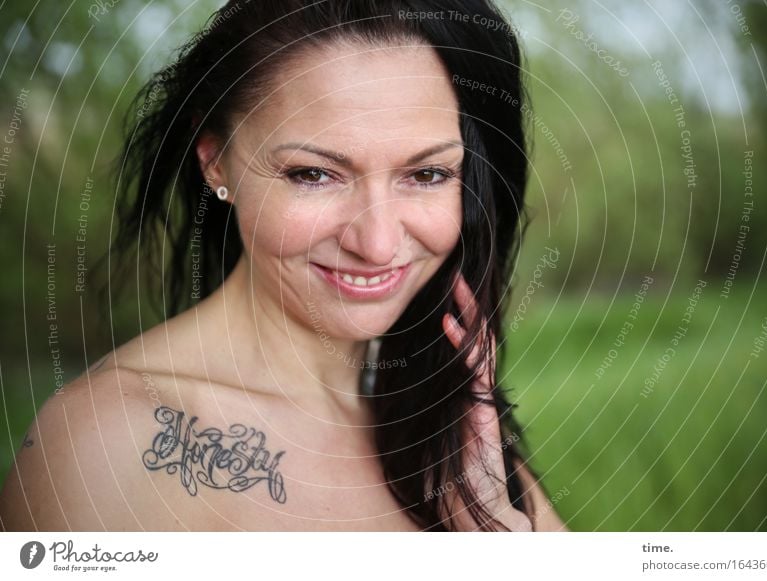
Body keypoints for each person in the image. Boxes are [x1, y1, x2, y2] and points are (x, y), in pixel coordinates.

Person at [0, 0, 567, 532]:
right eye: (313, 174)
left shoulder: (460, 437)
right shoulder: (104, 447)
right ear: (217, 161)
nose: (375, 243)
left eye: (426, 175)